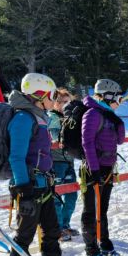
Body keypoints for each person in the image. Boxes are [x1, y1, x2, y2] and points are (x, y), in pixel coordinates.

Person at [7, 73, 77, 256]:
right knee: (24, 236)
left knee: (52, 231)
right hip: (29, 187)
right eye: (51, 95)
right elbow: (16, 157)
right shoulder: (23, 119)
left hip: (45, 186)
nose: (54, 100)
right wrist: (24, 190)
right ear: (39, 95)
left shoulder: (39, 118)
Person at [81, 79, 126, 256]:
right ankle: (91, 248)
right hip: (93, 168)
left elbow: (120, 140)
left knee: (103, 209)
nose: (120, 102)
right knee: (91, 209)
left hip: (107, 168)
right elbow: (87, 143)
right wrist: (94, 170)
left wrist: (118, 122)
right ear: (108, 96)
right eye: (118, 98)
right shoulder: (92, 114)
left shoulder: (108, 115)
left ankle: (104, 241)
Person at [47, 88, 79, 242]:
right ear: (56, 103)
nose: (65, 105)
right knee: (57, 196)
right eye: (62, 102)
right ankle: (58, 228)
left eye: (68, 102)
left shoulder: (70, 117)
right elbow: (55, 137)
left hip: (69, 161)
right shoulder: (52, 117)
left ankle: (65, 224)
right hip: (56, 162)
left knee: (72, 195)